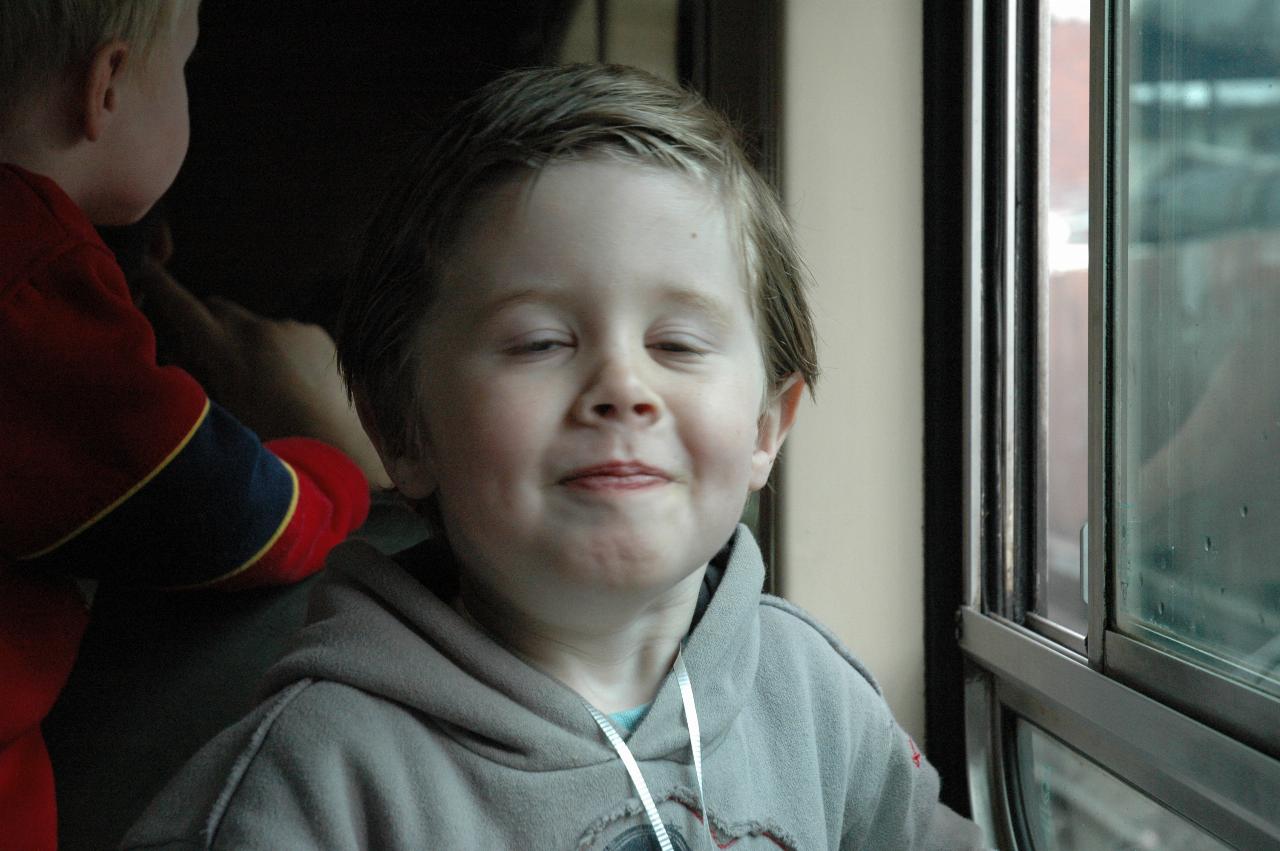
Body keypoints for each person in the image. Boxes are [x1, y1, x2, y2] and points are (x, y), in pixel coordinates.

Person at [123, 64, 985, 849]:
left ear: (767, 427)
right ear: (403, 433)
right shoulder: (315, 781)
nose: (622, 383)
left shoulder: (815, 696)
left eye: (679, 343)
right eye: (539, 342)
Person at [0, 2, 385, 847]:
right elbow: (209, 505)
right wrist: (334, 465)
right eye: (183, 67)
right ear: (103, 88)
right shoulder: (31, 274)